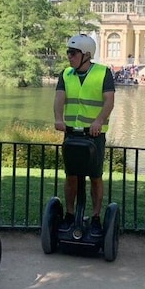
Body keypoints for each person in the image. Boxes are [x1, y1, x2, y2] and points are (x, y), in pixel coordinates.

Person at [53, 34, 115, 237]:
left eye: (73, 53)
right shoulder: (66, 74)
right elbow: (59, 99)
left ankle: (96, 217)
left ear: (86, 55)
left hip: (94, 135)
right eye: (68, 52)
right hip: (72, 133)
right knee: (71, 176)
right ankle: (70, 214)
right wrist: (58, 119)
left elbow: (109, 101)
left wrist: (98, 121)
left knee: (95, 177)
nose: (69, 56)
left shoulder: (103, 73)